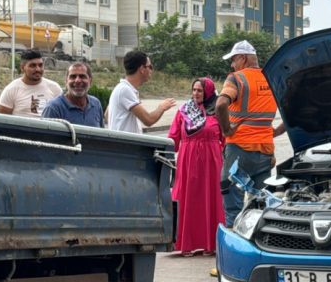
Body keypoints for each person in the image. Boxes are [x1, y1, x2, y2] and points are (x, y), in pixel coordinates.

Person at [215, 40, 286, 229]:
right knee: (261, 204)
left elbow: (221, 104)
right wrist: (276, 131)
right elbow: (293, 108)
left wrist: (226, 130)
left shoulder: (236, 78)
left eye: (233, 60)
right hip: (265, 151)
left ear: (242, 58)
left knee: (230, 192)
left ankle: (234, 238)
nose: (232, 65)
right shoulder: (271, 78)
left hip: (240, 149)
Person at [167, 78, 225, 255]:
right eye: (194, 90)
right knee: (187, 199)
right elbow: (173, 139)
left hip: (211, 163)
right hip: (188, 162)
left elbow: (226, 137)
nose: (196, 94)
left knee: (211, 199)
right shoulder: (184, 111)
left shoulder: (218, 111)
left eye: (200, 90)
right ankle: (186, 244)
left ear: (208, 91)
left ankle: (210, 244)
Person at [107, 50, 176, 133]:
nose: (151, 71)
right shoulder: (125, 90)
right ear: (142, 69)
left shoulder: (122, 88)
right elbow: (148, 120)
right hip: (125, 145)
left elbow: (107, 114)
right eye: (150, 67)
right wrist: (162, 107)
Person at [0, 49, 63, 117]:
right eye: (32, 66)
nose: (38, 69)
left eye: (40, 65)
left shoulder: (55, 88)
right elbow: (2, 120)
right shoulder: (11, 90)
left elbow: (64, 115)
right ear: (22, 68)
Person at [41, 61, 104, 127]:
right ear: (66, 81)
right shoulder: (54, 109)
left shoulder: (96, 104)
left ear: (90, 81)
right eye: (73, 77)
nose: (77, 81)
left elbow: (102, 134)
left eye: (82, 76)